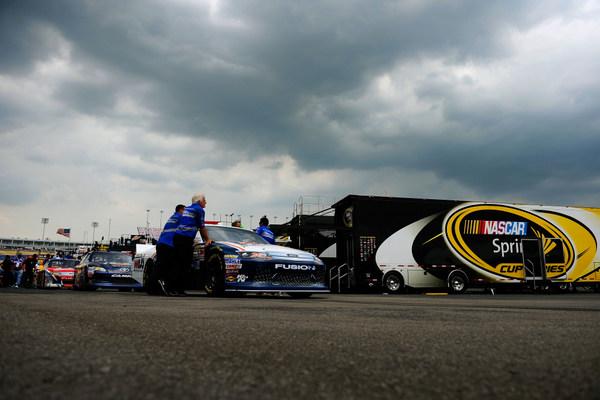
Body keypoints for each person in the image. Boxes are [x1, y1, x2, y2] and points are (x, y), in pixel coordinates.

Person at [173, 193, 212, 295]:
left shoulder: (187, 209)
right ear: (200, 202)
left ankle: (173, 288)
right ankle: (179, 289)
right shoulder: (199, 210)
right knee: (185, 264)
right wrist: (207, 239)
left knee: (178, 263)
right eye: (205, 200)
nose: (206, 202)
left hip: (177, 237)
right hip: (185, 239)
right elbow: (202, 227)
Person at [155, 204, 185, 295]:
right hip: (168, 245)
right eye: (185, 210)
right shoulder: (180, 217)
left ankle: (155, 287)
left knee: (160, 267)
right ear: (180, 210)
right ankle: (168, 287)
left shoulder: (173, 217)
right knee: (171, 267)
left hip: (161, 243)